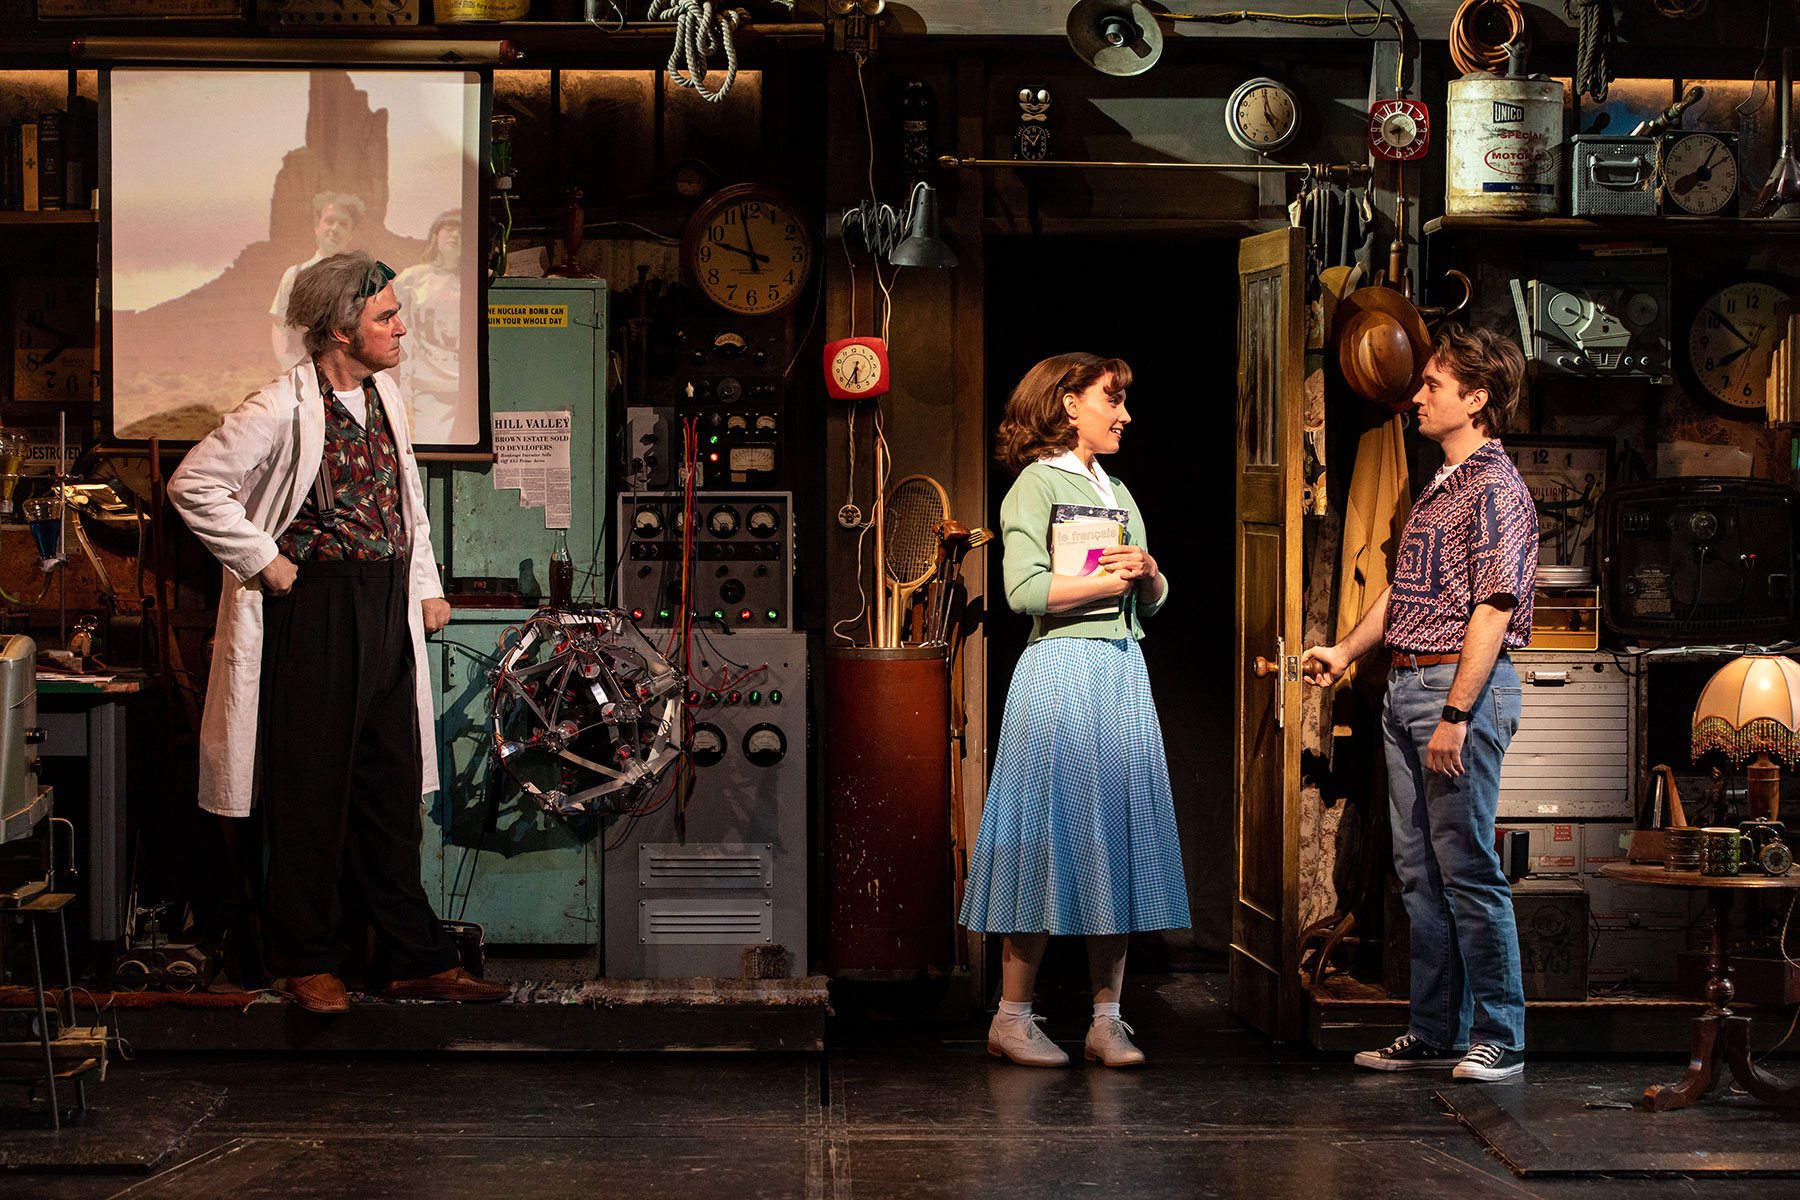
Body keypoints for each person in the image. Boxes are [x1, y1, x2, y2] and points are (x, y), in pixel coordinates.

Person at [172, 251, 505, 1014]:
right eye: (385, 316)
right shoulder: (279, 406)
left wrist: (424, 587)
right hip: (316, 608)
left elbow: (406, 502)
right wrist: (265, 561)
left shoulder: (387, 395)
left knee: (388, 791)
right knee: (309, 791)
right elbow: (194, 483)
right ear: (337, 331)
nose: (400, 327)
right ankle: (305, 955)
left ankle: (412, 955)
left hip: (385, 606)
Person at [1300, 323, 1536, 1083]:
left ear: (1478, 398)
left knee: (1468, 870)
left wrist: (1457, 716)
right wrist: (1343, 652)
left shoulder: (1496, 487)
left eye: (1435, 385)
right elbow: (1407, 592)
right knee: (1418, 873)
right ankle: (1436, 1030)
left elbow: (1494, 610)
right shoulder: (1440, 485)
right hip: (1406, 683)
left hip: (1453, 688)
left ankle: (1501, 1034)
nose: (1419, 395)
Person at [959, 352, 1190, 1068]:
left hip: (1121, 671)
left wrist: (1148, 574)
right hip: (1060, 668)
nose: (1123, 414)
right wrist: (1103, 577)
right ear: (1068, 404)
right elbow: (1024, 592)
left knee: (1115, 837)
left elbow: (1153, 597)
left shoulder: (1115, 489)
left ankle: (1107, 1019)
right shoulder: (1035, 485)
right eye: (1111, 399)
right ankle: (1013, 1015)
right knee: (1046, 834)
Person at [392, 209, 466, 445]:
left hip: (470, 385)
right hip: (429, 386)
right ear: (436, 235)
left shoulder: (477, 279)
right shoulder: (413, 278)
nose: (454, 235)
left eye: (461, 229)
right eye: (448, 228)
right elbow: (397, 329)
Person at [271, 192, 364, 372]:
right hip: (303, 372)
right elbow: (280, 325)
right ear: (317, 226)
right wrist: (289, 366)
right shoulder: (295, 275)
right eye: (329, 221)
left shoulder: (361, 279)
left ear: (351, 233)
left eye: (343, 224)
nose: (335, 228)